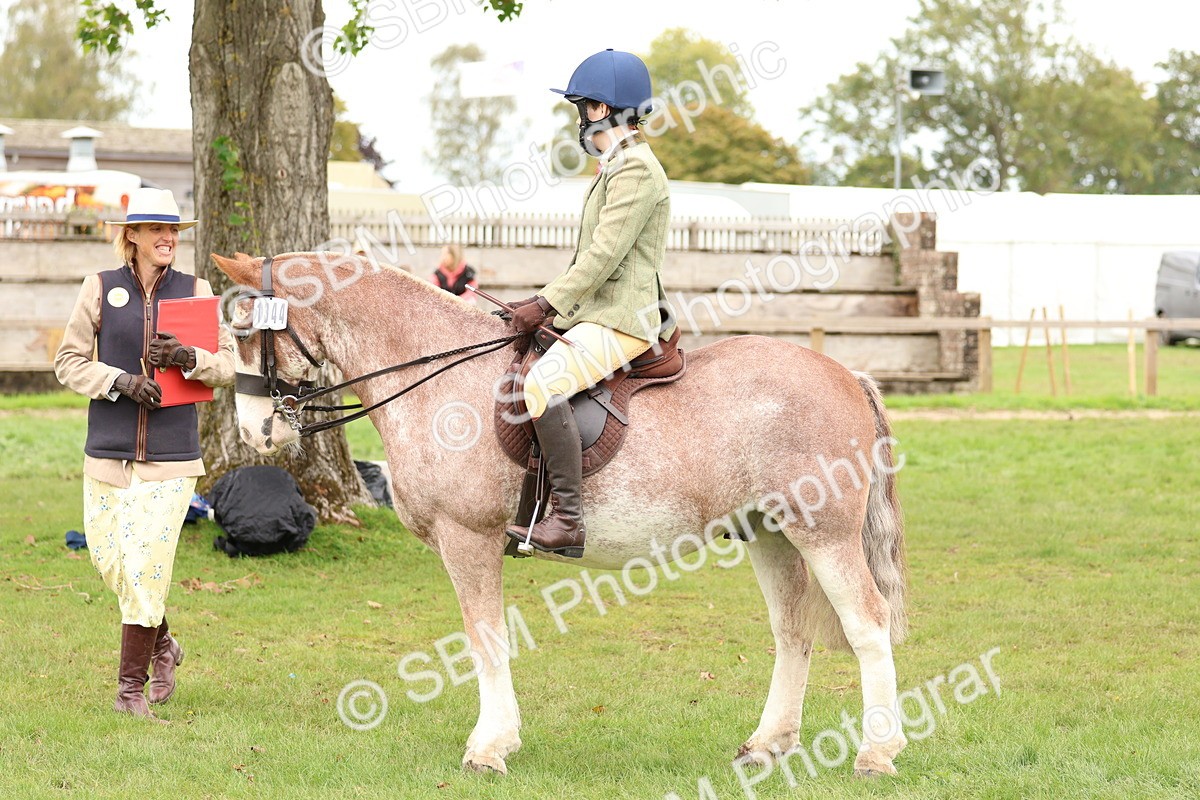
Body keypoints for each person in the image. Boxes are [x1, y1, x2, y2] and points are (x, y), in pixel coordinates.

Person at [54, 188, 236, 720]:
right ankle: (164, 645)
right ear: (130, 236)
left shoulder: (194, 289)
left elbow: (227, 365)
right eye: (156, 228)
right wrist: (119, 381)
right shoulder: (100, 287)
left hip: (173, 459)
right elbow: (67, 361)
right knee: (109, 561)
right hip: (107, 454)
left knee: (145, 567)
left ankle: (129, 692)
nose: (168, 238)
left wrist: (186, 357)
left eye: (174, 229)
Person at [504, 49, 676, 559]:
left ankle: (568, 521)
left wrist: (545, 303)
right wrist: (546, 307)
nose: (578, 118)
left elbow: (601, 258)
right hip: (596, 313)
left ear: (599, 109)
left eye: (580, 107)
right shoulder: (616, 167)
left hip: (622, 319)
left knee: (543, 384)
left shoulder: (636, 171)